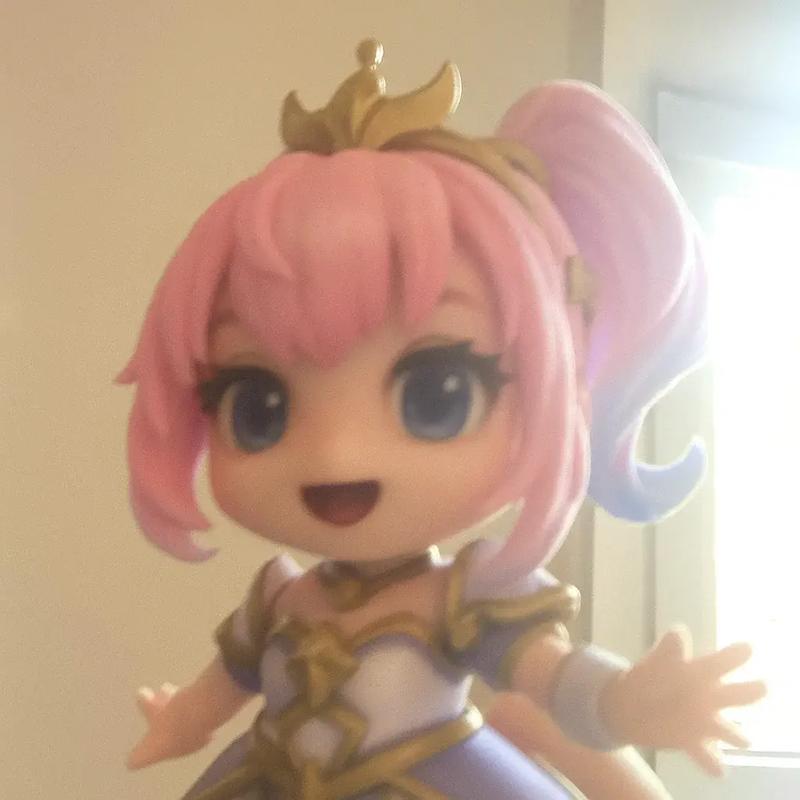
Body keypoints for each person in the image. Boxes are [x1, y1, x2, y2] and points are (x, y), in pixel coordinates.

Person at [123, 40, 765, 800]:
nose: (334, 454)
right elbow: (224, 686)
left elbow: (553, 677)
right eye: (259, 405)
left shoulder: (467, 598)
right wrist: (181, 720)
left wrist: (625, 702)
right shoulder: (277, 601)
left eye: (436, 395)